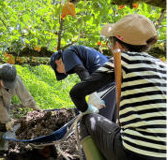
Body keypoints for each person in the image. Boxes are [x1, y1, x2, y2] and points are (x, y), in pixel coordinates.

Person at [70, 14, 166, 160]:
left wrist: (88, 109)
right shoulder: (162, 66)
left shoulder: (123, 60)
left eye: (110, 41)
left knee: (87, 118)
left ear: (119, 44)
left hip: (134, 152)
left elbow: (76, 92)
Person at [0, 63, 42, 151]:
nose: (10, 85)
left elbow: (23, 93)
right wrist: (7, 120)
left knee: (5, 104)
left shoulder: (15, 77)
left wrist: (33, 105)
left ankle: (4, 137)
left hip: (1, 89)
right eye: (7, 83)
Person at [50, 45, 117, 122]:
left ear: (58, 62)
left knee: (100, 121)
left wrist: (93, 94)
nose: (64, 73)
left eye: (59, 71)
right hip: (112, 80)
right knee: (112, 122)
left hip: (105, 81)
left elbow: (82, 72)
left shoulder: (67, 53)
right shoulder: (79, 52)